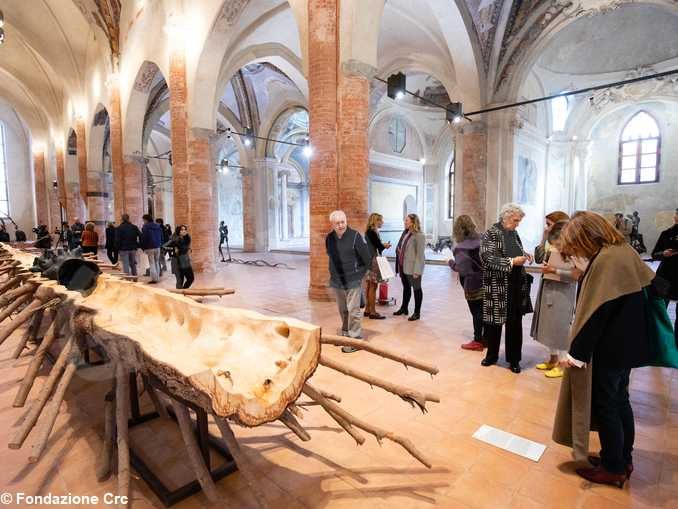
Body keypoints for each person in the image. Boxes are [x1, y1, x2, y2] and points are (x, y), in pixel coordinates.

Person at [553, 211, 656, 488]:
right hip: (629, 343)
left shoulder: (607, 261)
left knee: (607, 404)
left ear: (587, 236)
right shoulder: (624, 251)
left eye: (576, 244)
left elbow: (597, 311)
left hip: (613, 346)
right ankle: (623, 457)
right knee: (620, 399)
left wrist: (576, 354)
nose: (577, 252)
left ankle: (613, 468)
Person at [480, 203, 533, 374]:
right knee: (495, 323)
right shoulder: (491, 233)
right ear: (506, 217)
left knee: (515, 323)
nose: (518, 224)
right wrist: (511, 262)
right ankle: (491, 356)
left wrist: (524, 254)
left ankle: (514, 360)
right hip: (498, 285)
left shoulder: (513, 232)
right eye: (516, 220)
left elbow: (512, 250)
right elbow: (487, 258)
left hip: (516, 284)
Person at [531, 219, 581, 378]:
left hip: (563, 293)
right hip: (548, 288)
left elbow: (577, 275)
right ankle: (552, 359)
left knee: (560, 328)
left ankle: (562, 363)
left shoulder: (577, 252)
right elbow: (540, 258)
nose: (557, 247)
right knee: (548, 326)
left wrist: (555, 270)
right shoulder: (552, 246)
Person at [325, 210, 371, 352]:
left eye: (343, 222)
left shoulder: (355, 236)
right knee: (343, 309)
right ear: (332, 224)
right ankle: (346, 332)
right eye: (337, 223)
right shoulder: (329, 238)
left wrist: (359, 275)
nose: (340, 225)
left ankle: (356, 339)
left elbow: (367, 259)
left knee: (353, 310)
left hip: (352, 279)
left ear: (346, 221)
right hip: (337, 280)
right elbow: (331, 256)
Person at [450, 215, 484, 351]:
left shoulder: (461, 248)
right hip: (485, 280)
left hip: (472, 283)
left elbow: (462, 269)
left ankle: (477, 341)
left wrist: (450, 262)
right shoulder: (481, 240)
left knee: (476, 312)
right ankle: (486, 338)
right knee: (484, 310)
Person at [393, 213, 426, 321]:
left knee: (417, 289)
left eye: (406, 220)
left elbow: (420, 255)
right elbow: (406, 248)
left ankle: (417, 313)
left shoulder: (419, 235)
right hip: (404, 266)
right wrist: (400, 251)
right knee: (406, 288)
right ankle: (404, 308)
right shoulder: (408, 234)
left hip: (413, 269)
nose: (405, 222)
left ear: (412, 222)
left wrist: (417, 270)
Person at [652, 208, 678, 335]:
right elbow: (654, 254)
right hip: (666, 276)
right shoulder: (666, 234)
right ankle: (661, 337)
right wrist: (663, 253)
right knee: (661, 309)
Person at [364, 213, 391, 320]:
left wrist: (382, 245)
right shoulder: (372, 232)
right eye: (381, 220)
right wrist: (385, 245)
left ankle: (367, 309)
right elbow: (378, 246)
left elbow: (375, 245)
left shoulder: (369, 232)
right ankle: (373, 312)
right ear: (376, 221)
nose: (382, 222)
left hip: (369, 259)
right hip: (374, 260)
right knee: (373, 286)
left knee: (369, 286)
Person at [164, 225, 194, 289]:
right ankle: (180, 295)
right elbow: (164, 247)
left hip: (185, 261)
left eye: (185, 229)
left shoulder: (186, 238)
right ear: (178, 231)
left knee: (191, 278)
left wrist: (188, 249)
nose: (184, 231)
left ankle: (183, 291)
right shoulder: (174, 239)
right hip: (177, 262)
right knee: (180, 281)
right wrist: (173, 250)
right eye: (182, 230)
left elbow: (185, 248)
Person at [140, 214, 163, 283]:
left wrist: (143, 247)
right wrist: (160, 244)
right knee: (156, 262)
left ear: (146, 220)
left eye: (143, 220)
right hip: (157, 246)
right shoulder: (157, 226)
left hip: (150, 247)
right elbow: (161, 236)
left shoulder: (145, 226)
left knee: (152, 263)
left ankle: (154, 279)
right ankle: (157, 278)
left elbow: (144, 238)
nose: (143, 221)